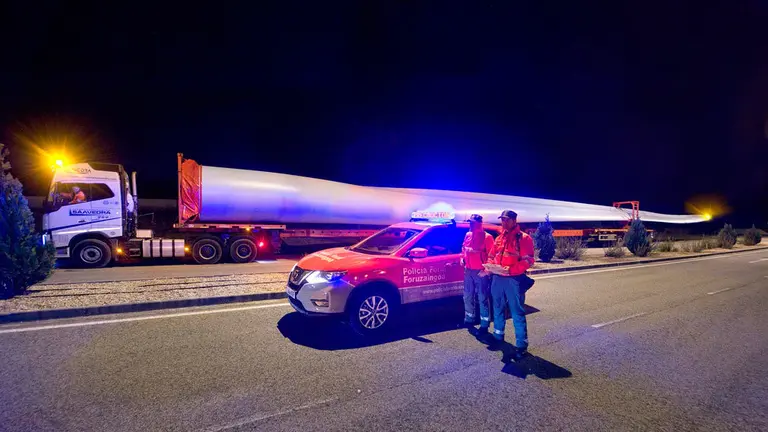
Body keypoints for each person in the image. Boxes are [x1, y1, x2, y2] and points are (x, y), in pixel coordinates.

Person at [484, 209, 535, 360]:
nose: (504, 222)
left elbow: (529, 260)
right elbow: (492, 255)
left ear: (514, 221)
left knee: (516, 312)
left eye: (506, 219)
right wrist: (490, 266)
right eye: (502, 219)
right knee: (497, 308)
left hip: (514, 279)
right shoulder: (500, 238)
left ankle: (521, 345)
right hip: (498, 278)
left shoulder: (524, 238)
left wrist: (511, 270)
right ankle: (498, 336)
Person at [459, 214, 494, 332]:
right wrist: (462, 258)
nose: (471, 224)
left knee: (482, 298)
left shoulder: (487, 237)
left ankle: (484, 324)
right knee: (467, 296)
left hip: (480, 272)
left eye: (473, 223)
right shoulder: (468, 235)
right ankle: (469, 319)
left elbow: (492, 256)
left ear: (480, 223)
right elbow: (463, 249)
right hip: (468, 270)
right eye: (470, 222)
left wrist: (486, 270)